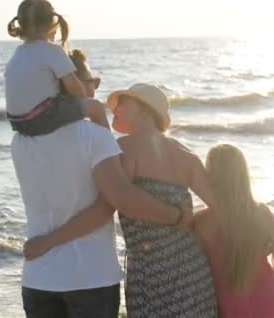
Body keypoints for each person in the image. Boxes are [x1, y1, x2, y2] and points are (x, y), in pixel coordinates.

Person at [6, 0, 191, 318]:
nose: (93, 90)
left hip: (38, 279)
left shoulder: (19, 142)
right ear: (66, 83)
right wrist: (177, 217)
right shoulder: (93, 137)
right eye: (91, 82)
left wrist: (46, 243)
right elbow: (114, 201)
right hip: (88, 279)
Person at [24, 83, 218, 318]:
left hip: (151, 275)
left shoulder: (124, 149)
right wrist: (186, 220)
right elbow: (221, 209)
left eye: (124, 102)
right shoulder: (187, 154)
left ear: (146, 110)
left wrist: (48, 241)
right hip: (193, 270)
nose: (115, 107)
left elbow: (103, 210)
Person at [194, 144, 274, 318]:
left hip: (231, 303)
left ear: (210, 176)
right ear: (243, 175)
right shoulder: (261, 212)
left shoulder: (202, 222)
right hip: (270, 296)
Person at [5, 0, 107, 137]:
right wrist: (82, 103)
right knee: (96, 107)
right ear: (52, 24)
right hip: (40, 119)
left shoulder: (18, 53)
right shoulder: (52, 50)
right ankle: (109, 147)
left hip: (17, 122)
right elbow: (74, 87)